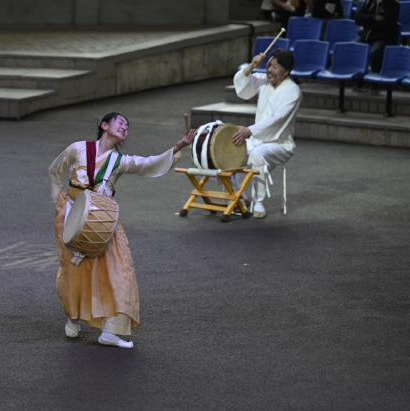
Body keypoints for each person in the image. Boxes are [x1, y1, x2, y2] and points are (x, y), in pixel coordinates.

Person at [48, 113, 197, 348]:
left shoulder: (121, 161)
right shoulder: (78, 148)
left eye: (128, 126)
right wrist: (58, 199)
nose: (125, 127)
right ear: (105, 126)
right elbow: (55, 170)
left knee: (119, 271)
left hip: (103, 222)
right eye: (121, 123)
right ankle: (73, 317)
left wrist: (179, 146)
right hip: (71, 216)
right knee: (73, 271)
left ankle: (111, 331)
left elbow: (149, 164)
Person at [231, 49, 302, 219]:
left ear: (286, 72)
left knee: (257, 154)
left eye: (275, 67)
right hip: (257, 139)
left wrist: (249, 130)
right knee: (230, 149)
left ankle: (259, 201)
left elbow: (278, 119)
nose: (269, 69)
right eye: (269, 64)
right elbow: (243, 88)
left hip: (280, 144)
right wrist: (252, 66)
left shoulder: (293, 91)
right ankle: (239, 197)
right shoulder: (264, 81)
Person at [354, 0, 400, 78]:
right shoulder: (370, 0)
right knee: (353, 47)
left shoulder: (393, 3)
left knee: (374, 52)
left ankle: (375, 77)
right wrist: (374, 18)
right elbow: (357, 18)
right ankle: (358, 77)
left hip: (383, 38)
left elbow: (386, 25)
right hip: (367, 36)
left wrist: (366, 22)